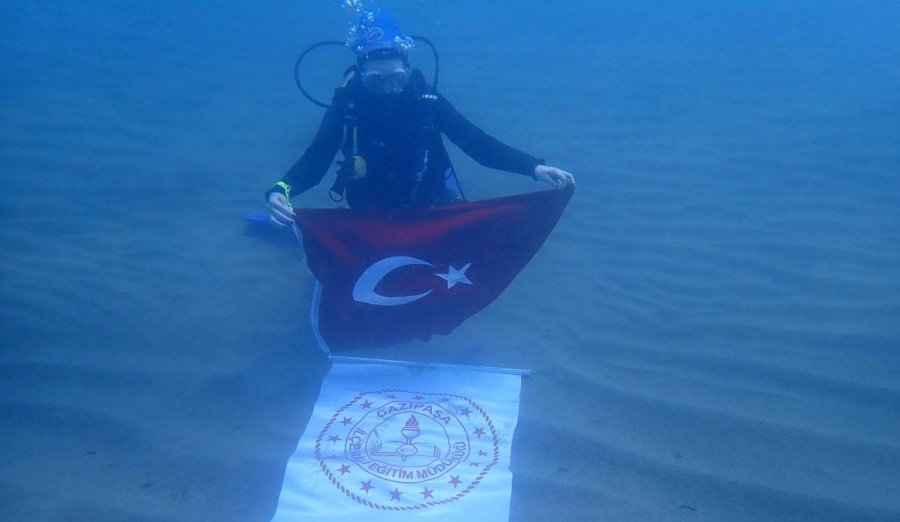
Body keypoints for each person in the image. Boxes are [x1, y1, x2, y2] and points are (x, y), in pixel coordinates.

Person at [267, 9, 574, 227]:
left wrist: (533, 167)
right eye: (377, 81)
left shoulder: (426, 101)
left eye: (397, 78)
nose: (389, 89)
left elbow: (477, 144)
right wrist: (282, 189)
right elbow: (316, 159)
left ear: (407, 67)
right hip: (369, 207)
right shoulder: (348, 105)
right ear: (361, 73)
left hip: (429, 201)